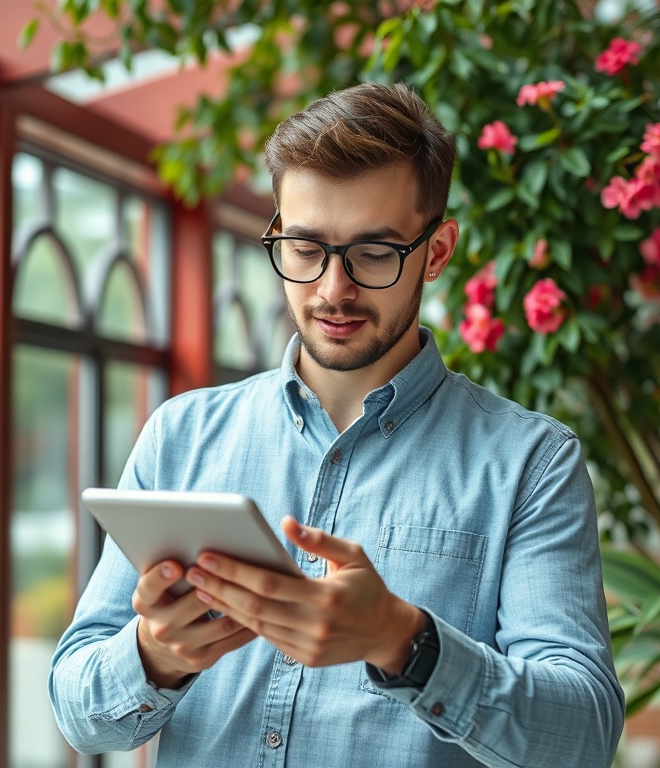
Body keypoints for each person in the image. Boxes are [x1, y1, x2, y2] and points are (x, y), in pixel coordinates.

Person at [49, 81, 624, 767]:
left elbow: (584, 735)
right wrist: (154, 655)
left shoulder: (531, 462)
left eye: (375, 253)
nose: (331, 289)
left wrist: (403, 640)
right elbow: (78, 710)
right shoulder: (181, 436)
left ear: (437, 252)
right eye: (305, 247)